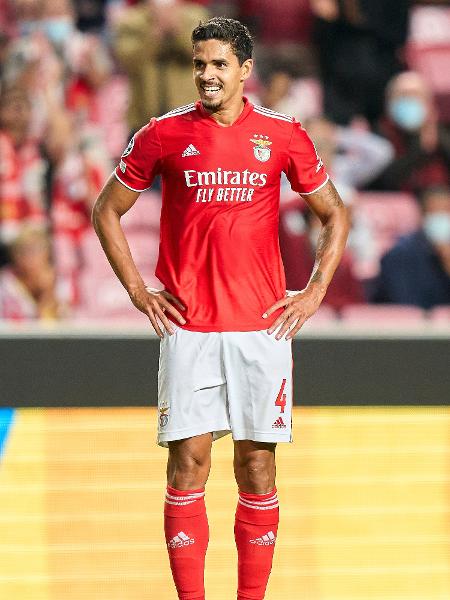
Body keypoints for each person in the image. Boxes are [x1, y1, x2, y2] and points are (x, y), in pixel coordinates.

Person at [92, 17, 349, 600]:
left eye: (218, 65)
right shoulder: (161, 134)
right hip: (191, 328)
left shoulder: (283, 135)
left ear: (244, 70)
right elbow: (107, 209)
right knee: (189, 465)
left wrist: (312, 293)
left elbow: (335, 215)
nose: (207, 75)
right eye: (199, 64)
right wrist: (139, 291)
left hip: (262, 329)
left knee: (257, 468)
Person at [372, 71, 450, 194]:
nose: (409, 100)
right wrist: (420, 150)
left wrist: (436, 137)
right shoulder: (381, 131)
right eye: (402, 95)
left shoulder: (438, 131)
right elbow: (384, 180)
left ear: (428, 103)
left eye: (415, 95)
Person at [373, 186, 450, 309]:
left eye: (447, 211)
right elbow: (407, 305)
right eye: (437, 212)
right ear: (422, 216)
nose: (444, 218)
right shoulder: (399, 255)